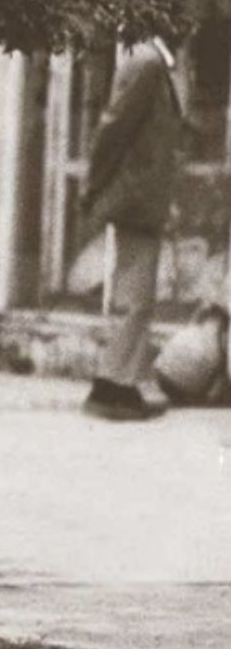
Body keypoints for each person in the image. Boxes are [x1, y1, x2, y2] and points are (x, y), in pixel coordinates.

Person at [81, 33, 183, 421]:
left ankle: (120, 381)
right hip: (136, 198)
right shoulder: (147, 62)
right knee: (134, 298)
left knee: (136, 296)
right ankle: (113, 386)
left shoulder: (154, 62)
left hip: (143, 198)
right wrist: (93, 185)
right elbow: (114, 128)